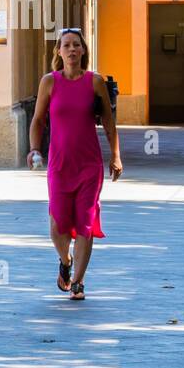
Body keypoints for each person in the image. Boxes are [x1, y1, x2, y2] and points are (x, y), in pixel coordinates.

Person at [27, 28, 122, 301]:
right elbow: (37, 120)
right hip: (59, 165)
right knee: (57, 225)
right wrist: (34, 149)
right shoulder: (49, 82)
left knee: (86, 222)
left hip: (89, 166)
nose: (71, 50)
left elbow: (108, 122)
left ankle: (79, 282)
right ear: (59, 51)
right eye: (66, 45)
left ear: (83, 51)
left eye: (76, 45)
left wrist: (115, 156)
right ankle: (66, 262)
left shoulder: (95, 82)